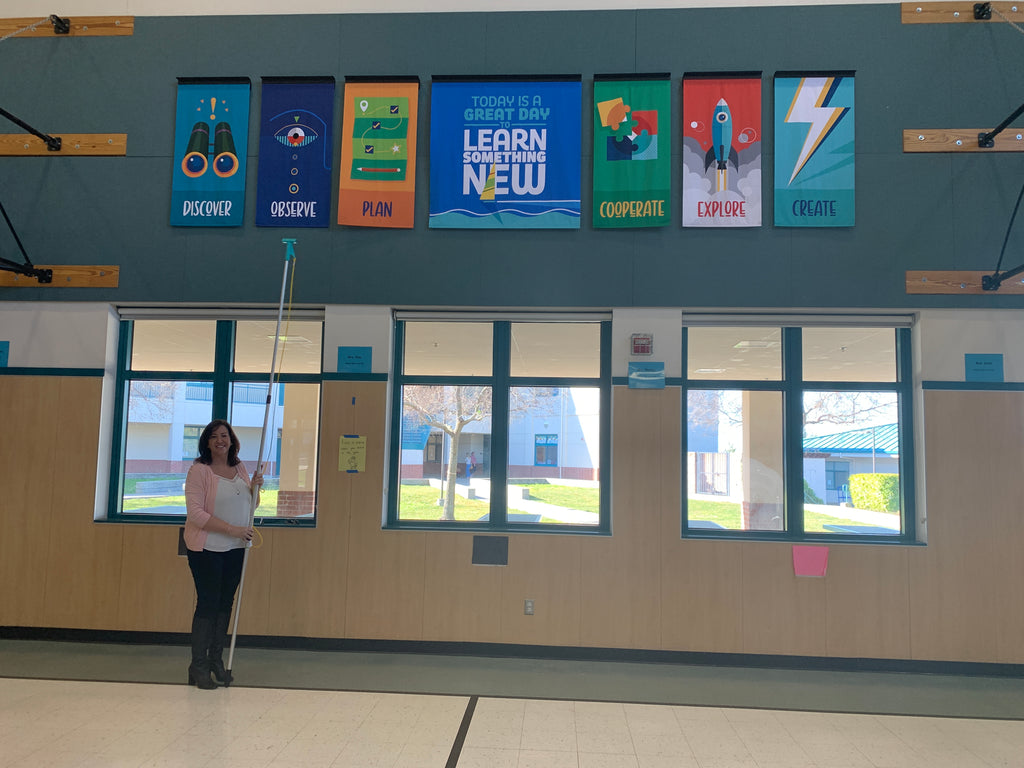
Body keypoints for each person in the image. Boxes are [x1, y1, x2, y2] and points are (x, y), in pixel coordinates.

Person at [183, 419, 262, 689]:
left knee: (224, 604)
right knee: (208, 604)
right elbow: (195, 515)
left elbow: (250, 505)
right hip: (207, 548)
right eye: (215, 436)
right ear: (207, 442)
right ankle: (198, 665)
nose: (221, 440)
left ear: (232, 440)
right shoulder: (199, 471)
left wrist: (255, 489)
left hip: (236, 548)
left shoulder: (239, 467)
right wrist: (232, 529)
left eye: (225, 436)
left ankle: (216, 660)